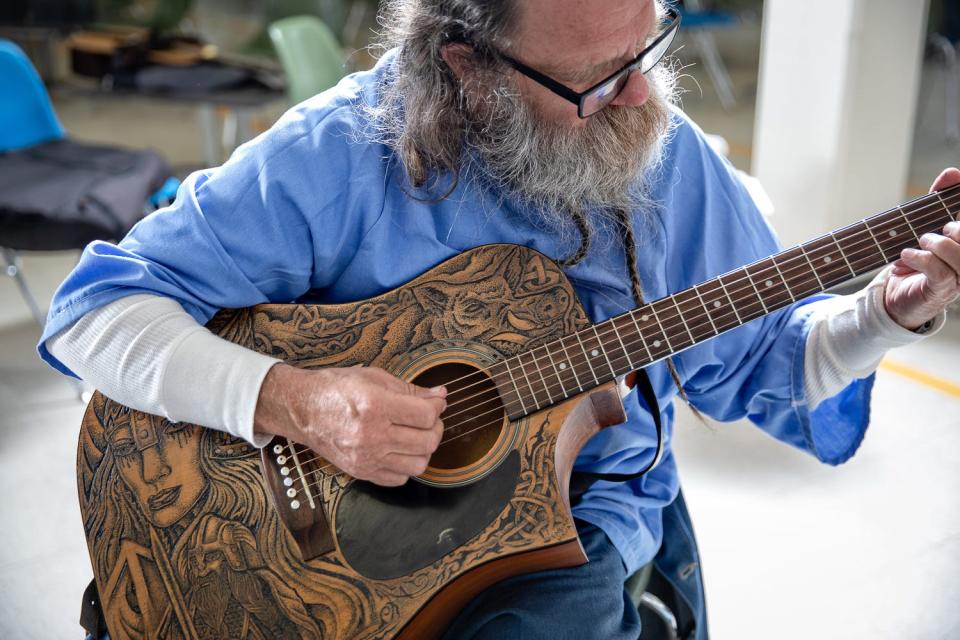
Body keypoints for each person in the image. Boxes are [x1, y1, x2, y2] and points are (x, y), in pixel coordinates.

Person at [42, 0, 960, 638]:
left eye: (647, 50)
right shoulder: (338, 152)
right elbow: (94, 310)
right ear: (468, 69)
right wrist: (292, 400)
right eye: (596, 79)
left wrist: (886, 313)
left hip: (567, 522)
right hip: (308, 515)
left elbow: (774, 366)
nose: (641, 97)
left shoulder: (664, 155)